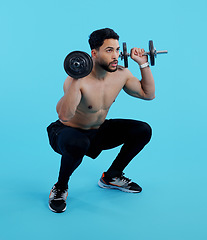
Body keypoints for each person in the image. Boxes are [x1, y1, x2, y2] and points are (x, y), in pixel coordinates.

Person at [47, 28, 155, 213]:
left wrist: (143, 64)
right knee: (78, 142)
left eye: (117, 49)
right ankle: (60, 187)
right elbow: (64, 115)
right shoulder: (76, 80)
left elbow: (148, 94)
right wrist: (76, 80)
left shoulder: (122, 74)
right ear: (94, 53)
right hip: (67, 133)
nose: (116, 56)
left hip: (97, 130)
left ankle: (111, 177)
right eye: (109, 50)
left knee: (143, 130)